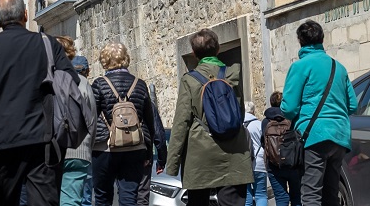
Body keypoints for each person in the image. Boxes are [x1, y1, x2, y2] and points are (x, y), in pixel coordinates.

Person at [0, 0, 76, 206]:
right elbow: (70, 83)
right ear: (26, 15)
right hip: (41, 139)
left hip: (1, 140)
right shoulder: (47, 44)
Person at [165, 29, 252, 206]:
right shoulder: (233, 73)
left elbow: (181, 122)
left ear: (195, 54)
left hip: (200, 154)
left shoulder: (189, 80)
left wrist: (172, 164)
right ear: (218, 49)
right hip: (234, 150)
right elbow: (239, 112)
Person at [280, 21, 357, 206]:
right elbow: (353, 105)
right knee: (331, 193)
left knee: (311, 193)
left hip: (313, 136)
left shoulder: (300, 67)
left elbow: (288, 108)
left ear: (300, 41)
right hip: (339, 135)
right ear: (322, 39)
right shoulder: (339, 67)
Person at [89, 43, 166, 206]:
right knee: (129, 197)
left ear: (104, 61)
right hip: (134, 148)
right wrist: (147, 152)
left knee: (102, 197)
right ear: (126, 59)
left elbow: (90, 118)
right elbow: (149, 122)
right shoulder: (140, 84)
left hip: (105, 148)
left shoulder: (99, 84)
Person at [56, 41, 95, 206]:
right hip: (78, 150)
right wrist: (87, 147)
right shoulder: (82, 82)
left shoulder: (44, 79)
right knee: (71, 201)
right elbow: (91, 120)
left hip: (49, 149)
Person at [260, 93, 300, 206]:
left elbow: (263, 143)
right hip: (293, 163)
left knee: (281, 198)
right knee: (297, 196)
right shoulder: (292, 118)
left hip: (274, 165)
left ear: (271, 103)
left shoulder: (265, 122)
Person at [242, 103, 267, 206]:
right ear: (253, 111)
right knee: (261, 195)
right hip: (259, 162)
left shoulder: (238, 124)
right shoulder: (259, 124)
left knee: (246, 196)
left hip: (243, 163)